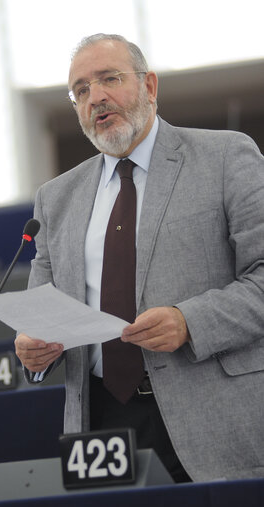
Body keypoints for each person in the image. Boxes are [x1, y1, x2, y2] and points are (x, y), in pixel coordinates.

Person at [15, 33, 264, 483]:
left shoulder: (225, 157)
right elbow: (42, 314)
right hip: (100, 428)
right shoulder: (55, 199)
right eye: (82, 90)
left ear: (149, 86)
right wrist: (35, 351)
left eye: (110, 79)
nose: (97, 98)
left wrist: (190, 321)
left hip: (211, 415)